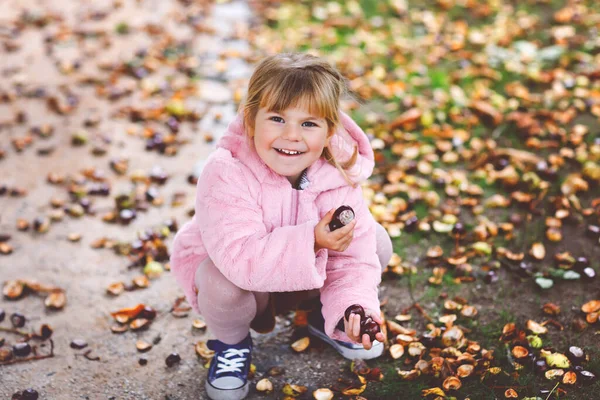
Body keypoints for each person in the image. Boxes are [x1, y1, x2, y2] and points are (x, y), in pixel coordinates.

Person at [169, 52, 393, 400]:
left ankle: (326, 319)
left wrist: (355, 307)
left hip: (305, 276)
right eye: (277, 118)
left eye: (308, 123)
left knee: (376, 241)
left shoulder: (337, 174)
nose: (291, 136)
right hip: (245, 282)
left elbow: (355, 258)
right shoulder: (226, 172)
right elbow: (240, 259)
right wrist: (313, 240)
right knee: (221, 284)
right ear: (250, 120)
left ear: (330, 130)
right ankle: (231, 345)